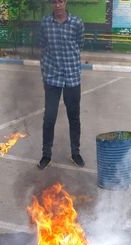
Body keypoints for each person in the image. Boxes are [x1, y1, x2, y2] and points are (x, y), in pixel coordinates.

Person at [38, 0, 85, 170]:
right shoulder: (45, 24)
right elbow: (42, 49)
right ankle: (46, 155)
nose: (58, 5)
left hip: (72, 77)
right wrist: (44, 76)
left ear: (66, 2)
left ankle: (75, 153)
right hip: (52, 77)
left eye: (61, 1)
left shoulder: (77, 23)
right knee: (49, 118)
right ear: (52, 3)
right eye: (55, 2)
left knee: (74, 117)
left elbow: (80, 44)